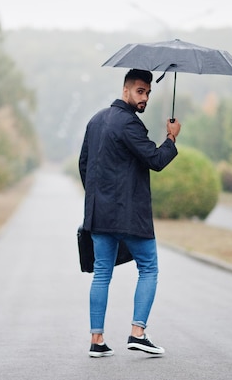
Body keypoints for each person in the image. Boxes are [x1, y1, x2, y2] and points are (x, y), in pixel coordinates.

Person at [78, 68, 181, 358]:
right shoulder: (129, 125)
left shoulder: (96, 120)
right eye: (140, 91)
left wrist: (99, 197)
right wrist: (171, 139)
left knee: (101, 274)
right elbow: (156, 160)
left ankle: (96, 340)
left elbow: (84, 164)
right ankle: (138, 333)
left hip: (99, 215)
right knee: (149, 268)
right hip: (129, 216)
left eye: (148, 92)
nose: (144, 97)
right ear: (125, 91)